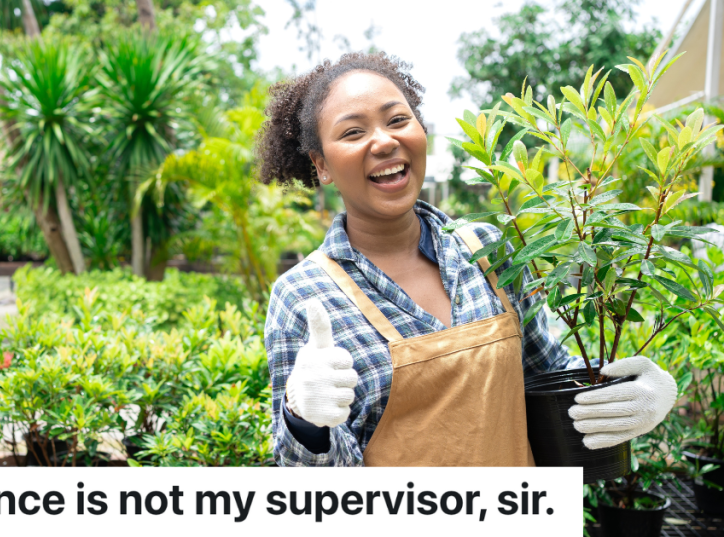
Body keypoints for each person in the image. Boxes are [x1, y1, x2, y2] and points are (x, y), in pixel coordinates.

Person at [257, 52, 678, 467]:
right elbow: (314, 495)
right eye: (352, 133)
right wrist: (305, 424)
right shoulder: (303, 295)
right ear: (321, 165)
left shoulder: (486, 250)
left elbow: (544, 374)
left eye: (398, 120)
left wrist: (631, 387)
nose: (384, 141)